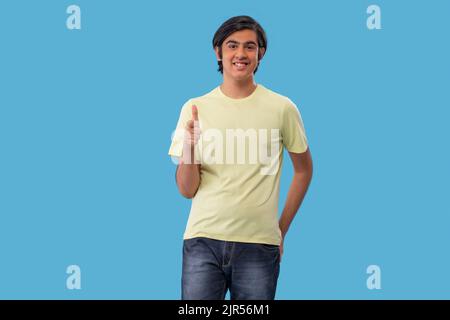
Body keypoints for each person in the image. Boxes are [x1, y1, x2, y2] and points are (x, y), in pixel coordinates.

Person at [168, 15, 313, 300]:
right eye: (232, 45)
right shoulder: (195, 107)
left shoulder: (282, 108)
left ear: (261, 53)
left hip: (258, 245)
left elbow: (304, 170)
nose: (241, 54)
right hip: (202, 241)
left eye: (250, 46)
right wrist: (189, 149)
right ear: (218, 51)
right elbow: (186, 190)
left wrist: (280, 230)